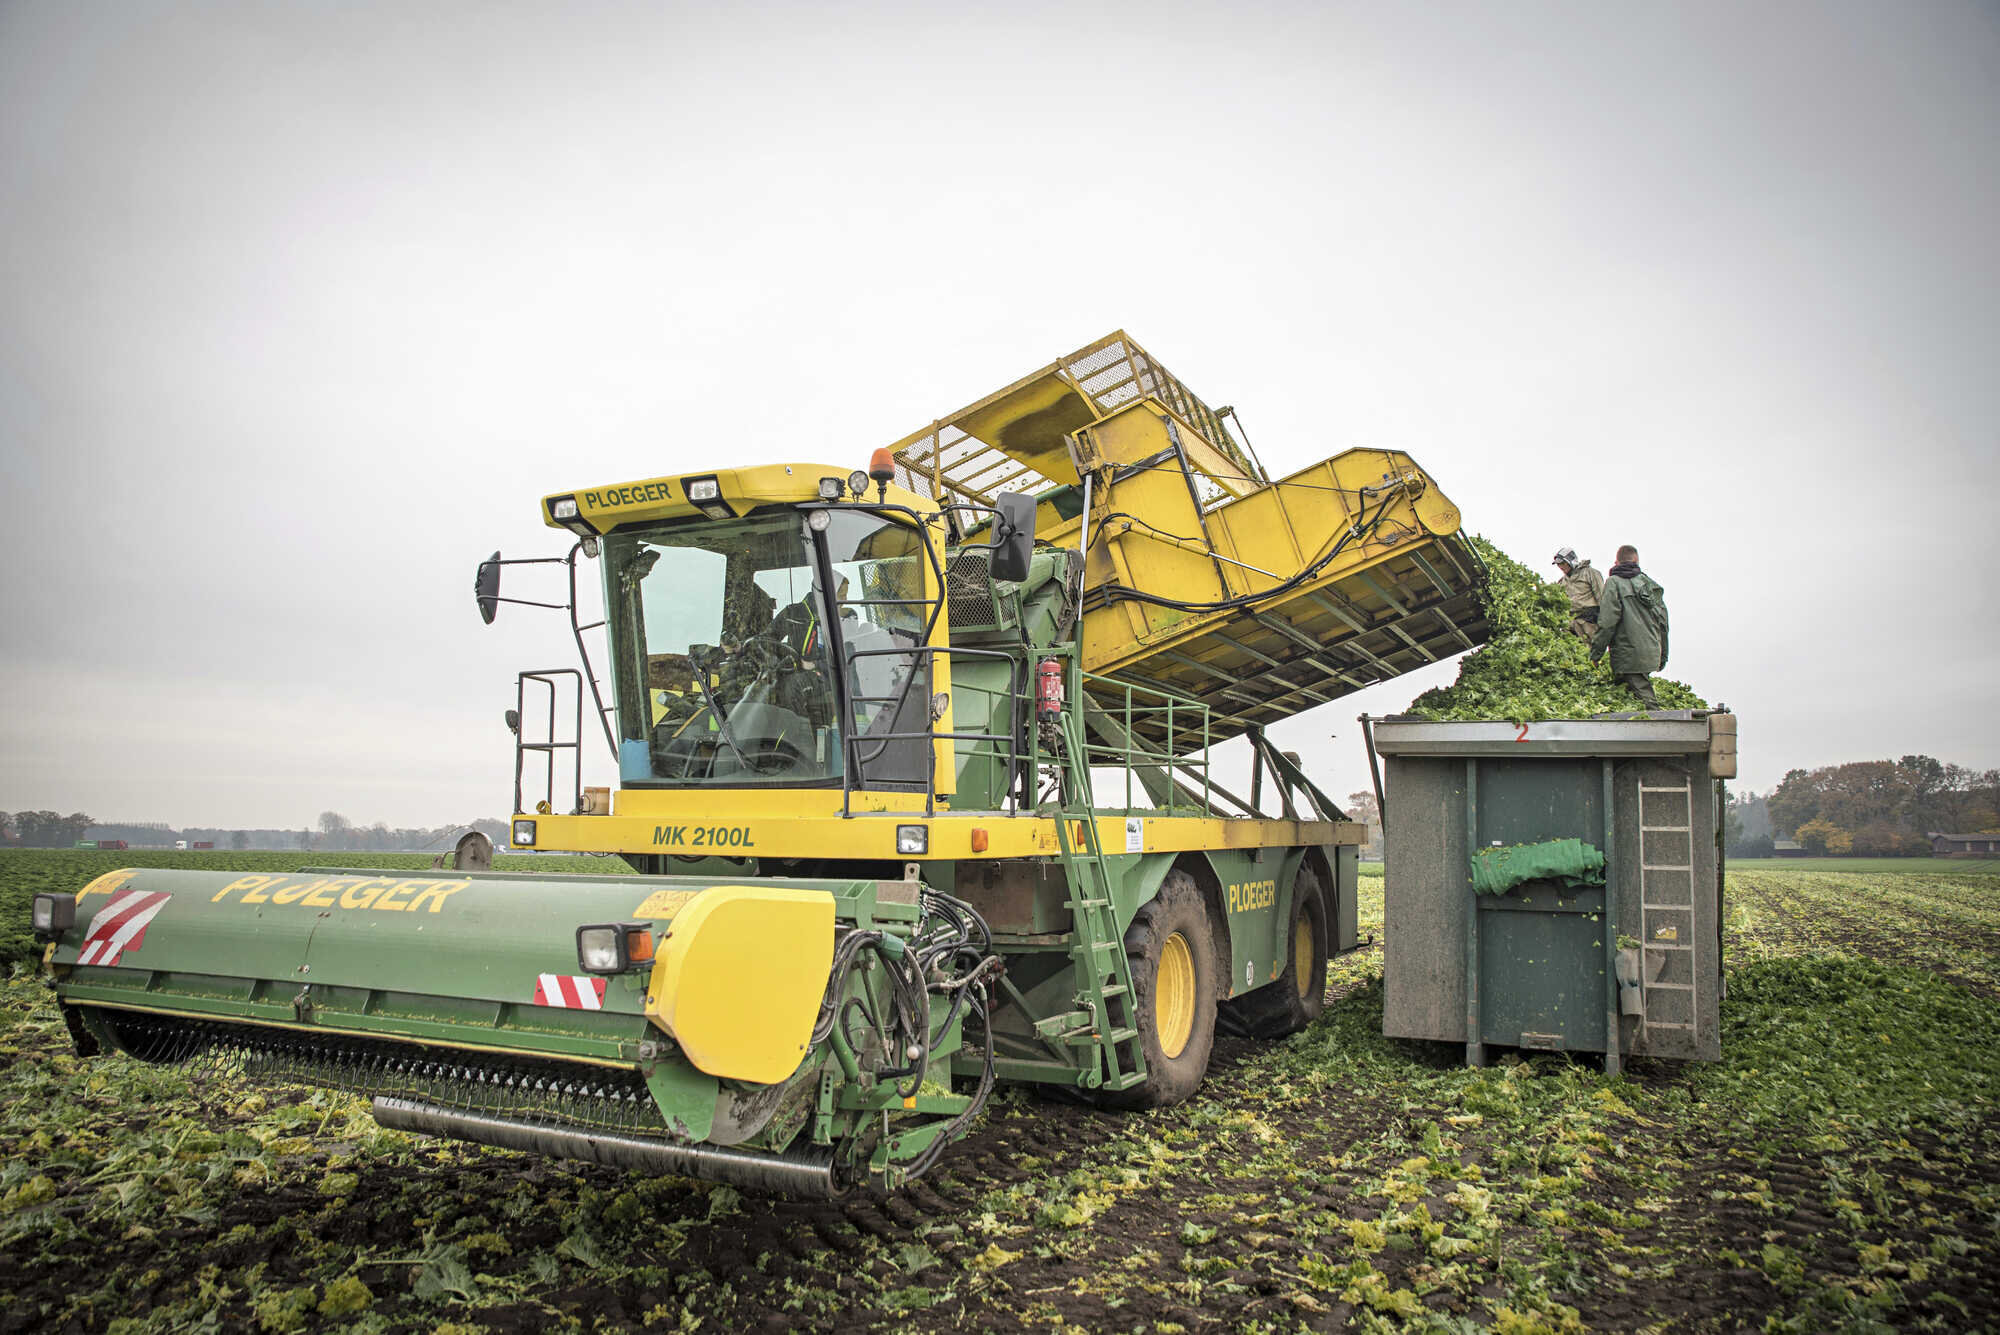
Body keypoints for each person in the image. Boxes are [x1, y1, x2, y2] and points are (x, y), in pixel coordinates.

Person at [1590, 544, 1669, 708]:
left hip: (1628, 653)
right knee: (1627, 695)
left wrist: (1596, 654)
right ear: (1636, 561)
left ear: (1616, 562)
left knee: (1645, 698)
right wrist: (1663, 654)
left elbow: (1607, 622)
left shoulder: (1614, 583)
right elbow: (1663, 623)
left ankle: (1657, 728)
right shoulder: (1649, 584)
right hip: (1651, 651)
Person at [1551, 546, 1603, 641]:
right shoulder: (1562, 583)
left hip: (1589, 624)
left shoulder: (1590, 573)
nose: (1560, 567)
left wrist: (1605, 625)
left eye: (1562, 563)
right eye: (1558, 564)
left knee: (1591, 653)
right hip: (1570, 626)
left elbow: (1602, 598)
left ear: (1570, 561)